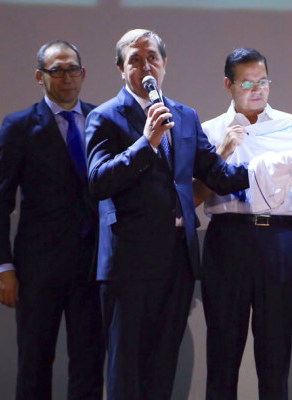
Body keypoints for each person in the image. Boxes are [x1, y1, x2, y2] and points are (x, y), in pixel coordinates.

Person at [85, 29, 250, 400]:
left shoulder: (185, 115)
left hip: (177, 260)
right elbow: (97, 182)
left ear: (164, 65)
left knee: (163, 367)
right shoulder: (105, 117)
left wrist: (265, 171)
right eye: (135, 60)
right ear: (120, 68)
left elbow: (216, 174)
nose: (146, 67)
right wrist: (146, 143)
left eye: (152, 59)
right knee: (127, 370)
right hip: (129, 264)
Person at [194, 47, 292, 400]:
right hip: (228, 238)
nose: (257, 90)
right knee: (223, 350)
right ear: (228, 85)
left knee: (275, 353)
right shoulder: (209, 130)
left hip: (279, 238)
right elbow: (192, 197)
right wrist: (220, 153)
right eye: (247, 83)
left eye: (263, 81)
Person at [0, 40, 105, 399]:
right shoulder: (19, 126)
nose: (66, 77)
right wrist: (3, 267)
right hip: (38, 268)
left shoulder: (103, 119)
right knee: (35, 364)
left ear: (83, 74)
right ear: (40, 76)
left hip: (93, 267)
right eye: (57, 70)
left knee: (89, 365)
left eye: (72, 69)